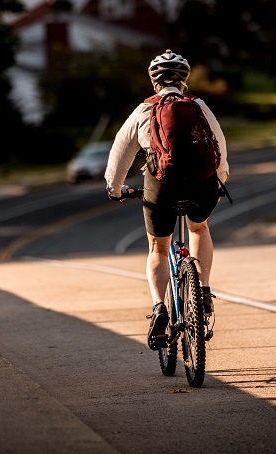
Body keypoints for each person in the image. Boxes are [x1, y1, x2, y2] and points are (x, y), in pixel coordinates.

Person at [104, 49, 230, 351]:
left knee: (159, 247)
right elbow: (219, 149)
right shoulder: (198, 106)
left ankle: (160, 308)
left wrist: (116, 189)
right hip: (202, 184)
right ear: (184, 80)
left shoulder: (144, 110)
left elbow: (120, 155)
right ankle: (203, 289)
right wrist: (219, 181)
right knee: (199, 228)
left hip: (161, 184)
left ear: (154, 81)